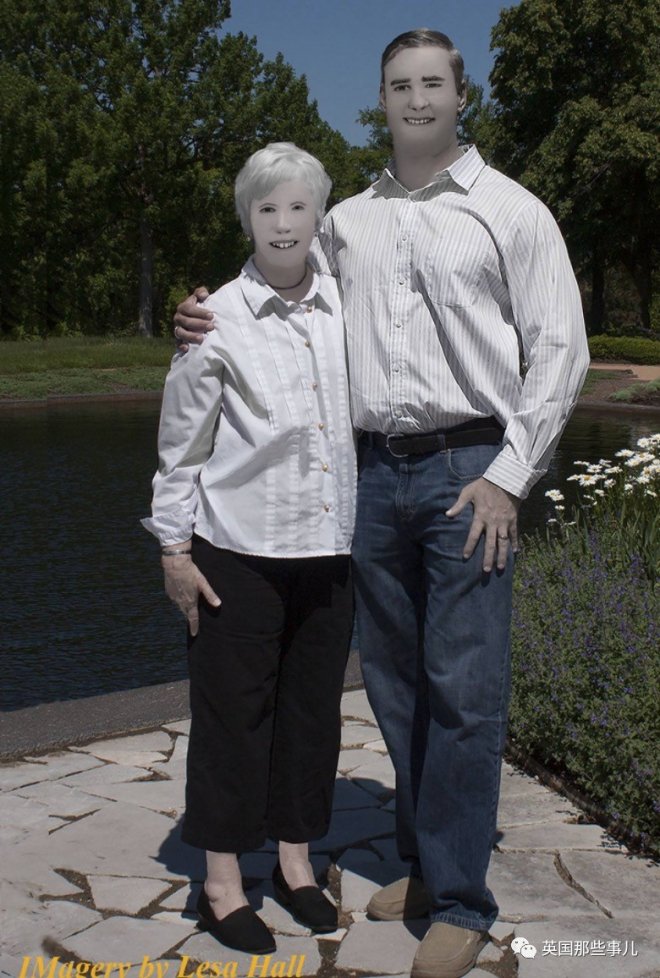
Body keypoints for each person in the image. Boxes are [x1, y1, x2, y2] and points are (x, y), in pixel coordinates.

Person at [173, 29, 590, 978]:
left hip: (469, 471)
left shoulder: (512, 212)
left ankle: (464, 900)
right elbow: (275, 278)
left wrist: (510, 475)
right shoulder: (346, 221)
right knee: (397, 687)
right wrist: (199, 317)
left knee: (465, 693)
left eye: (432, 82)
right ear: (383, 97)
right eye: (400, 84)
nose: (416, 99)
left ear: (461, 94)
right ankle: (429, 865)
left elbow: (561, 350)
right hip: (367, 477)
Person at [144, 143, 356, 955]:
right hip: (236, 550)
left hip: (328, 550)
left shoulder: (344, 306)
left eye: (298, 206)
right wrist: (174, 551)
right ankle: (223, 882)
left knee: (311, 716)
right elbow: (180, 450)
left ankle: (296, 865)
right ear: (247, 219)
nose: (284, 222)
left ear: (318, 217)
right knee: (233, 719)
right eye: (267, 208)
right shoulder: (215, 321)